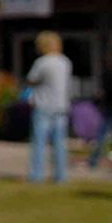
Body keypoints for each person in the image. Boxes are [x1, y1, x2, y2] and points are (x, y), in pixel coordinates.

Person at [25, 31, 73, 184]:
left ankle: (37, 175)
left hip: (44, 104)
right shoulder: (65, 62)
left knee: (39, 142)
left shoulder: (42, 62)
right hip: (61, 105)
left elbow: (31, 80)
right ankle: (61, 175)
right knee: (60, 143)